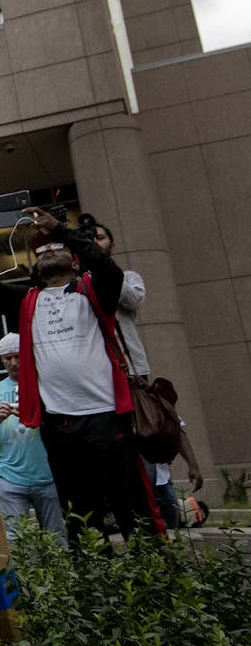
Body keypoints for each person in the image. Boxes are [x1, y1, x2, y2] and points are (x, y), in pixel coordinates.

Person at [0, 196, 163, 539]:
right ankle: (91, 583)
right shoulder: (27, 301)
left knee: (132, 509)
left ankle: (153, 582)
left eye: (57, 248)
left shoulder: (94, 290)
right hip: (59, 425)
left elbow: (107, 268)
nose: (49, 252)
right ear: (34, 267)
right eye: (41, 251)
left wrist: (62, 230)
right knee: (81, 517)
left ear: (75, 261)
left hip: (106, 417)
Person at [80, 214, 204, 526]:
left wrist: (100, 268)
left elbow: (133, 300)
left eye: (100, 237)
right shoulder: (76, 284)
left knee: (147, 436)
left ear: (111, 244)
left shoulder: (127, 277)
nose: (95, 242)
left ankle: (155, 524)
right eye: (89, 237)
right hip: (94, 380)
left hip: (131, 375)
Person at [0, 332, 67, 547]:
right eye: (7, 358)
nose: (14, 363)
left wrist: (36, 416)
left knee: (56, 540)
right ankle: (24, 581)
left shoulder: (44, 384)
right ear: (1, 359)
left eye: (18, 356)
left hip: (48, 476)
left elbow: (64, 423)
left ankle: (60, 580)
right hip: (10, 477)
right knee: (16, 542)